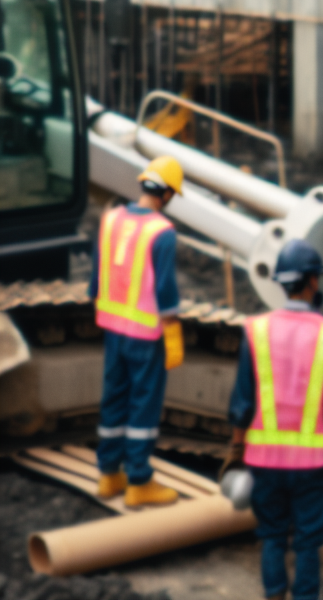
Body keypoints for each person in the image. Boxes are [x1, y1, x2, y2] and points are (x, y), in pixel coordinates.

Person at [224, 240, 323, 600]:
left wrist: (236, 448)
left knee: (272, 536)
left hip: (263, 460)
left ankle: (274, 595)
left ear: (281, 282)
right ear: (313, 282)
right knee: (307, 543)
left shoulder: (256, 330)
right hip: (310, 465)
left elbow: (243, 399)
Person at [90, 155, 185, 507]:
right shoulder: (162, 232)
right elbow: (166, 292)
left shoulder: (111, 218)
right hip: (146, 335)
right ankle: (139, 481)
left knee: (114, 397)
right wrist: (173, 333)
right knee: (143, 405)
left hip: (113, 328)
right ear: (169, 194)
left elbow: (96, 273)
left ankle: (108, 474)